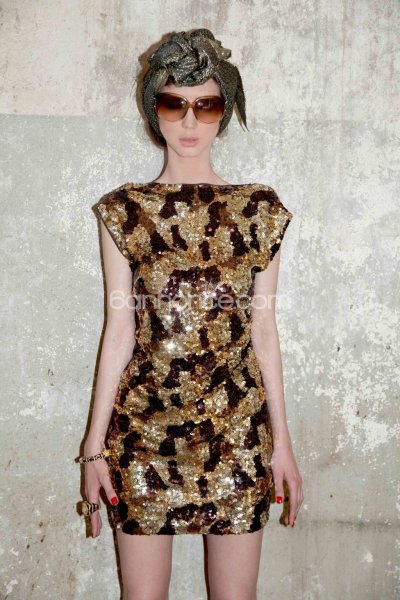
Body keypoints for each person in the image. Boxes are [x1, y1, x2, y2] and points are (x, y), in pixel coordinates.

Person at [79, 28, 303, 599]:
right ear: (153, 108)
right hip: (142, 436)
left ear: (224, 113)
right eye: (173, 102)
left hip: (238, 434)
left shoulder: (258, 210)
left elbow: (264, 331)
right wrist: (94, 449)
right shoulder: (126, 211)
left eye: (206, 106)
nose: (188, 121)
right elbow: (120, 329)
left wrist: (282, 445)